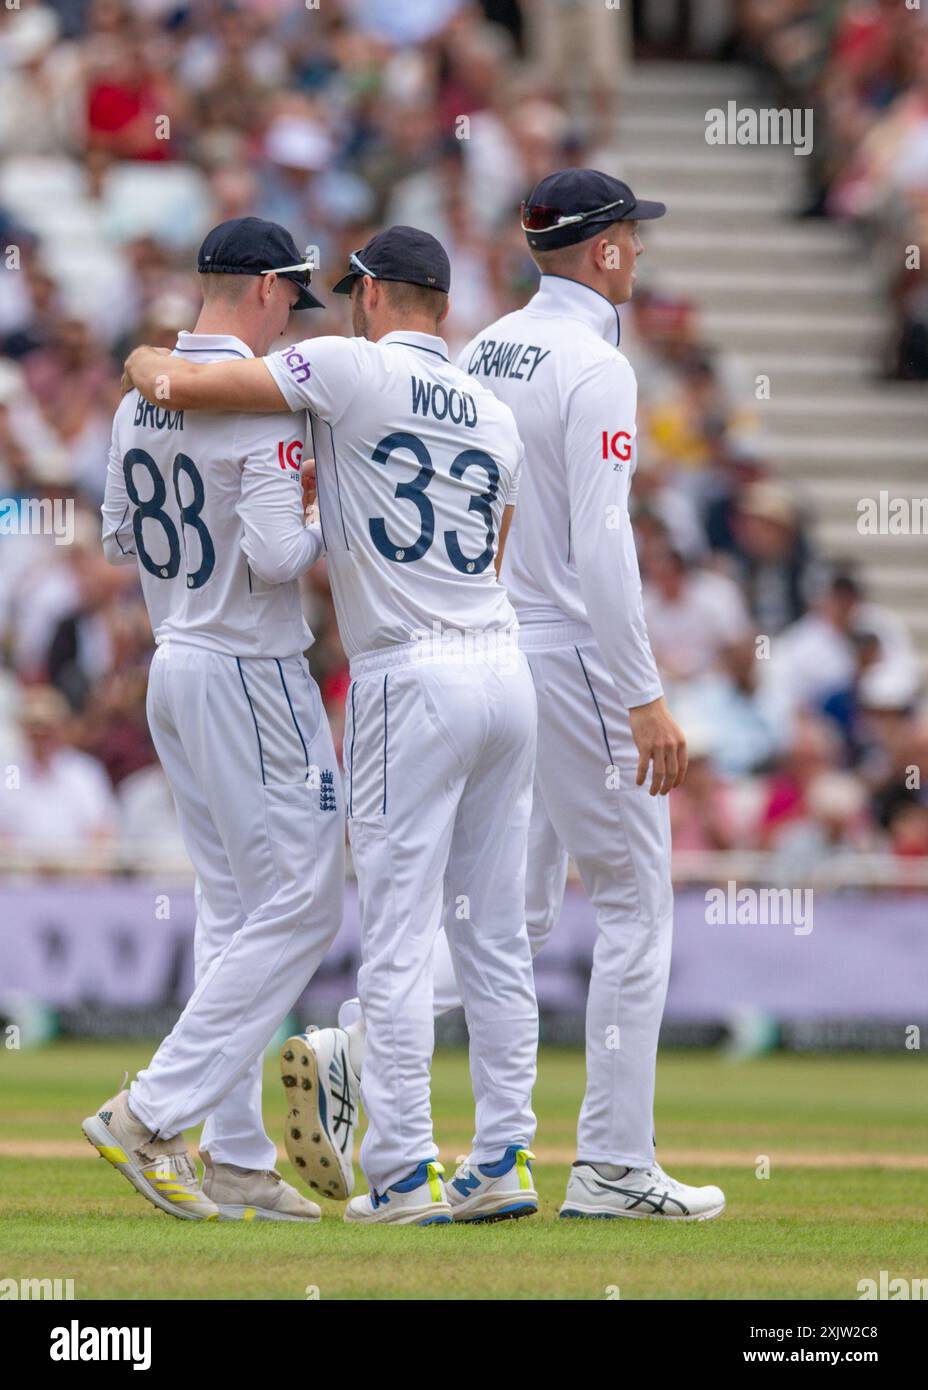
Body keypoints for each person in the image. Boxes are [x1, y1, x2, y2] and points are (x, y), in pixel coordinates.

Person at [328, 172, 727, 1222]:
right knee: (638, 904)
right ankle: (612, 1162)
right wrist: (641, 692)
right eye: (632, 239)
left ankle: (351, 1054)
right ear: (602, 253)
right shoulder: (595, 365)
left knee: (516, 913)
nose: (638, 254)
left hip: (487, 638)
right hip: (568, 654)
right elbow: (601, 539)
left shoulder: (486, 344)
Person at [123, 226, 541, 1228]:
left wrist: (144, 360)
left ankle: (401, 1172)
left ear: (373, 296)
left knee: (393, 939)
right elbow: (499, 547)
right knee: (494, 938)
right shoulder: (493, 408)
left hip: (408, 673)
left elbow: (199, 391)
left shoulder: (348, 367)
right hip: (501, 663)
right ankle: (505, 1159)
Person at [85, 217, 345, 1224]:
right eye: (292, 297)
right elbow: (282, 558)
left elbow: (116, 537)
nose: (291, 319)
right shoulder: (262, 402)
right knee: (306, 901)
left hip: (174, 660)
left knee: (235, 908)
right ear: (269, 289)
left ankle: (235, 1154)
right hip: (250, 664)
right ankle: (152, 1111)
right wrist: (331, 512)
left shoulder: (134, 404)